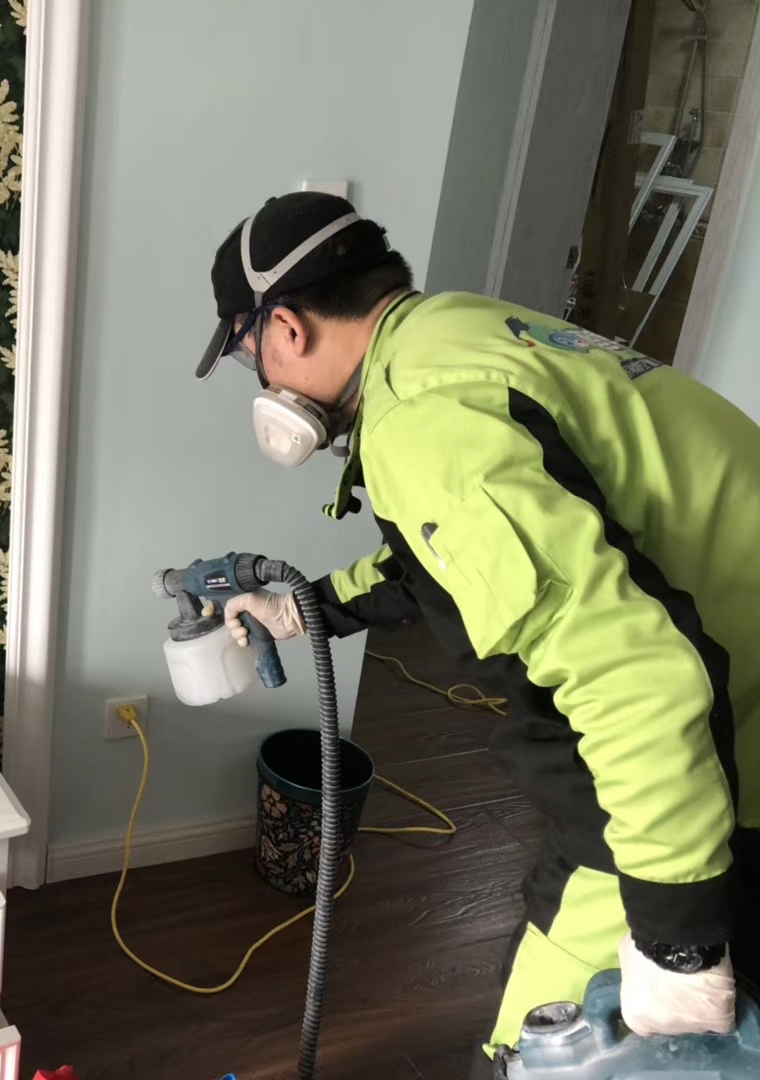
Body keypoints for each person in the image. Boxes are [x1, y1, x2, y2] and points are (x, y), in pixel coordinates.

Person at [197, 191, 759, 1073]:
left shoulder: (424, 421)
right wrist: (310, 607)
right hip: (724, 670)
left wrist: (674, 934)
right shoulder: (451, 333)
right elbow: (466, 556)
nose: (261, 380)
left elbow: (635, 677)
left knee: (548, 1047)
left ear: (286, 329)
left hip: (699, 748)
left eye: (246, 353)